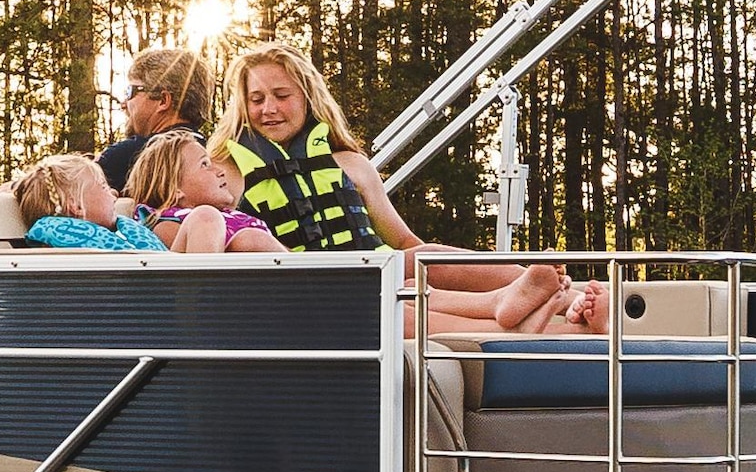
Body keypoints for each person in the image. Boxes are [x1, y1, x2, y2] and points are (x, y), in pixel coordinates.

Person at [213, 39, 580, 330]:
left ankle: (563, 294)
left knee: (425, 255)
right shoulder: (227, 172)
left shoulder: (351, 165)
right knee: (376, 299)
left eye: (281, 96)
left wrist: (424, 271)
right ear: (241, 106)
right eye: (256, 99)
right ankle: (513, 310)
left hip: (372, 268)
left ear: (307, 99)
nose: (268, 109)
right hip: (310, 294)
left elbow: (403, 242)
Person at [125, 132, 282, 255]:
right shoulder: (166, 223)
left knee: (252, 238)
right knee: (209, 219)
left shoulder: (238, 219)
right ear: (175, 189)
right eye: (205, 164)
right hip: (208, 290)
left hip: (275, 287)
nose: (220, 171)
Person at [94, 44, 219, 198]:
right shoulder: (216, 156)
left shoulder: (126, 157)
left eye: (130, 92)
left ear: (163, 100)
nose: (123, 103)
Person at [7, 153, 167, 250]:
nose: (114, 192)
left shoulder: (97, 246)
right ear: (75, 206)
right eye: (103, 187)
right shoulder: (76, 259)